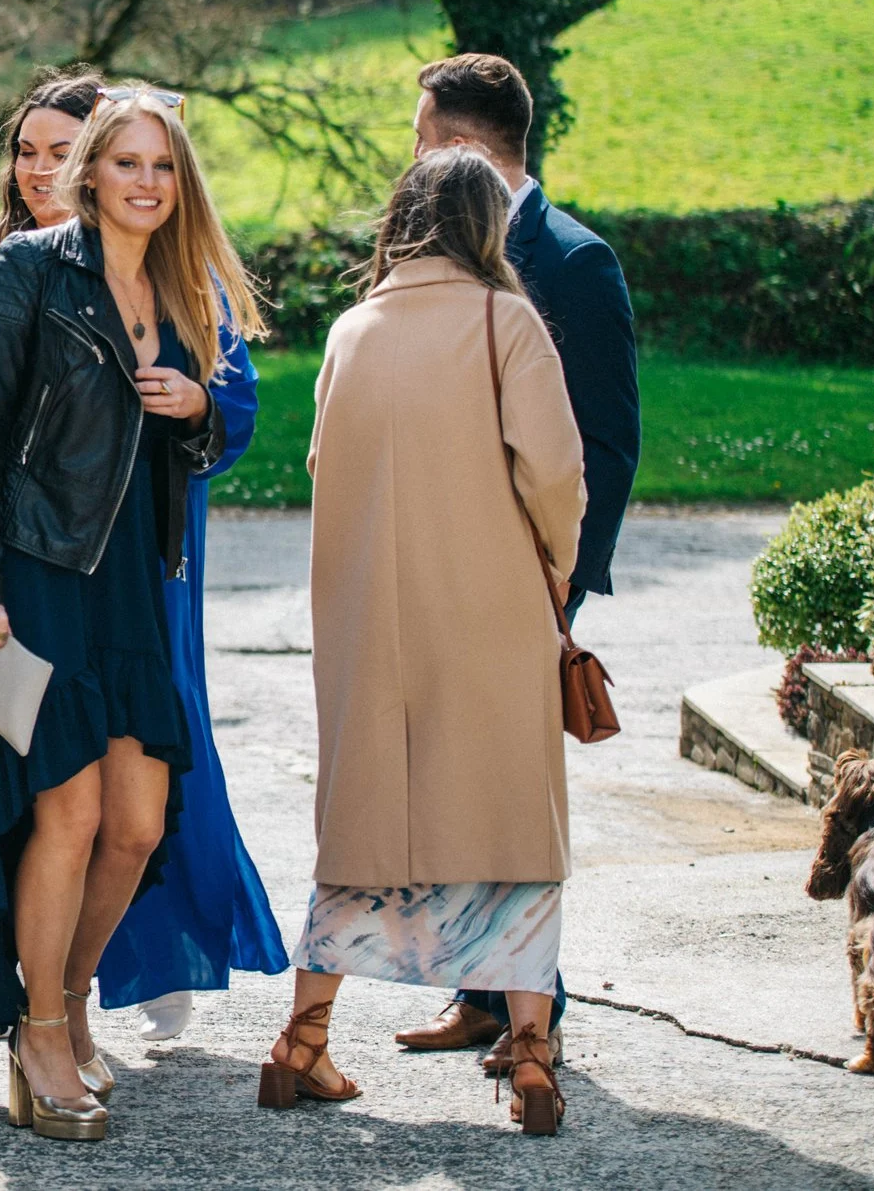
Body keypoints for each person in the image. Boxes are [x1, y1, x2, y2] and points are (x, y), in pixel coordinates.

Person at [0, 70, 285, 1045]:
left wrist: (198, 406)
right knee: (45, 792)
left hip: (146, 566)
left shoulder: (168, 269)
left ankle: (115, 965)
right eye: (29, 150)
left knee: (142, 796)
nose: (39, 167)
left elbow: (225, 396)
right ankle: (43, 1011)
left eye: (62, 150)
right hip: (28, 560)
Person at [263, 147, 584, 1137]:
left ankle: (301, 1039)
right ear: (487, 224)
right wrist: (556, 577)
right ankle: (528, 1054)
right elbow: (556, 476)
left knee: (360, 835)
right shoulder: (507, 321)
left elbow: (324, 463)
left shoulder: (349, 331)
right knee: (514, 838)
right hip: (489, 616)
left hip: (370, 627)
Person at [391, 53, 639, 1070]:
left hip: (528, 580)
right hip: (442, 568)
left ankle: (534, 1007)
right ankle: (483, 993)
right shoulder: (434, 257)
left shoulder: (572, 262)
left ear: (455, 145)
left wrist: (559, 583)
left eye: (418, 138)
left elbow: (607, 443)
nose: (408, 157)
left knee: (515, 795)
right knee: (453, 783)